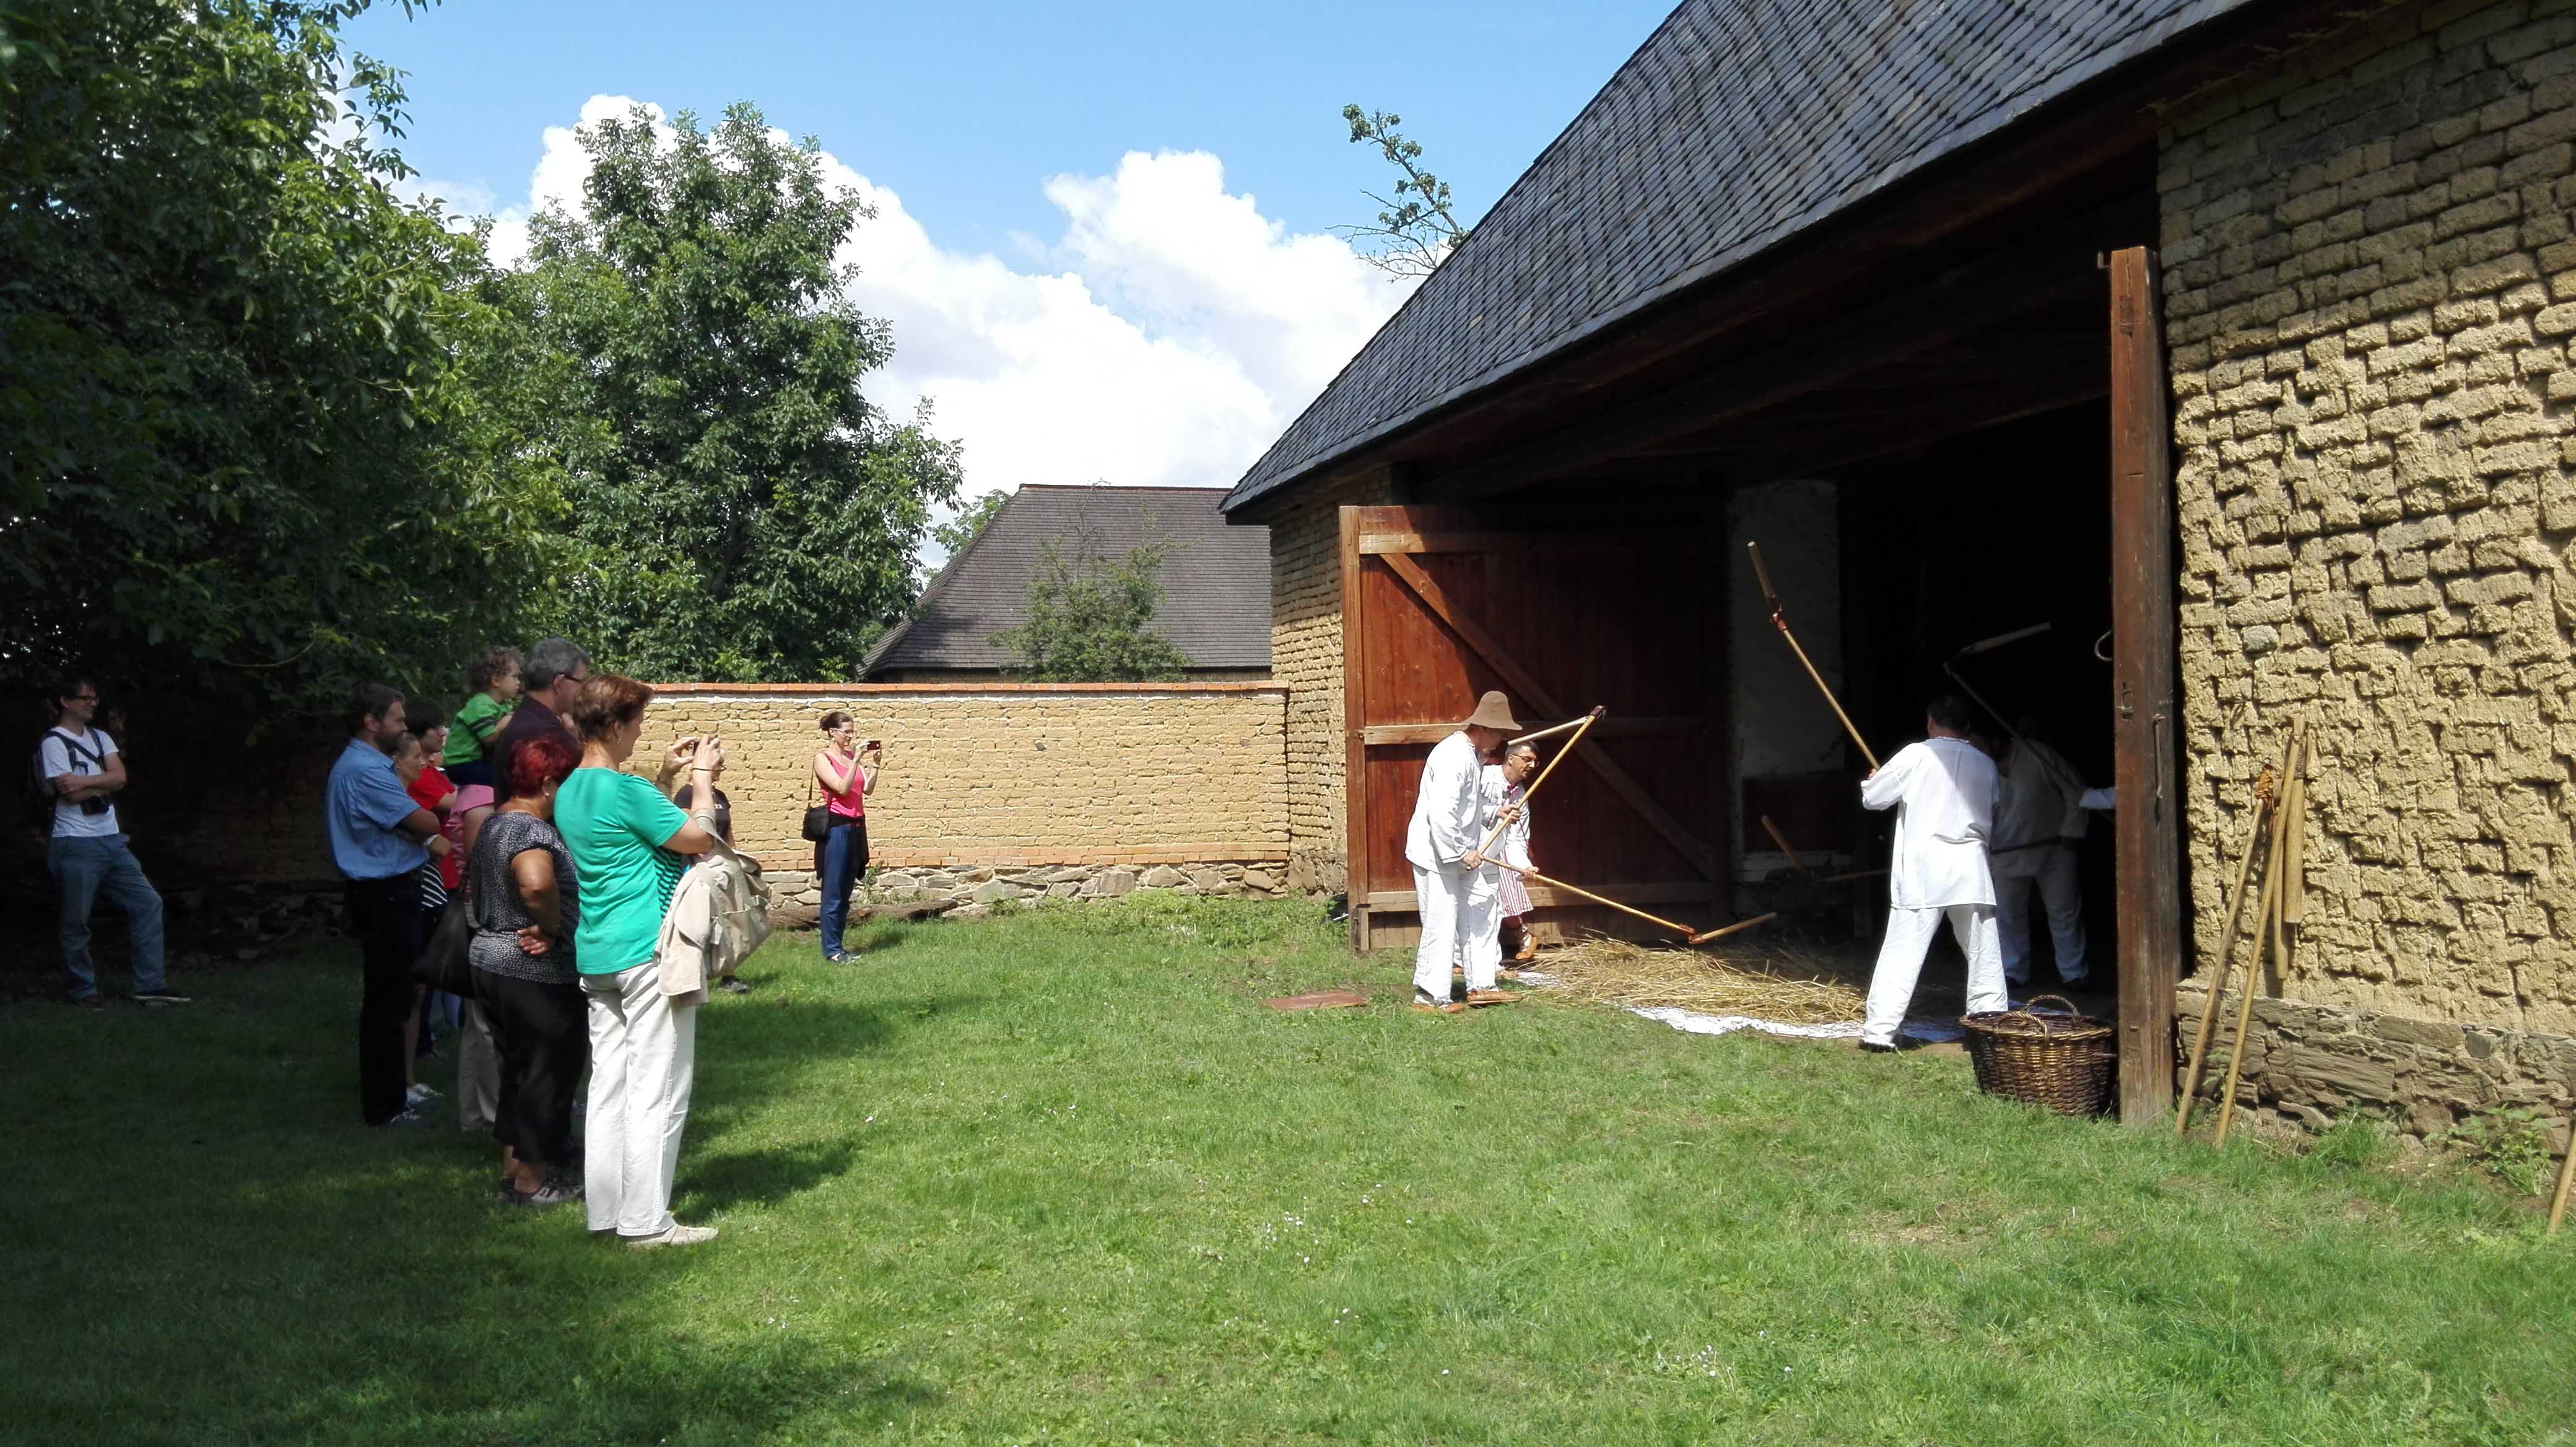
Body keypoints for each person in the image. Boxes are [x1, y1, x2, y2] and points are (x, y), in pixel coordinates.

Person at [557, 674, 727, 1249]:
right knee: (658, 1086)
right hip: (647, 953)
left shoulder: (571, 791)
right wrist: (701, 780)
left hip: (598, 954)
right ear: (612, 726)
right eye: (635, 725)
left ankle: (606, 1213)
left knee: (610, 1086)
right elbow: (697, 838)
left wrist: (663, 776)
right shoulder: (625, 791)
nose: (639, 734)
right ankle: (647, 1222)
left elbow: (627, 830)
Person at [468, 730, 589, 1207]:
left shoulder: (497, 822)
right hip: (532, 970)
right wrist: (553, 927)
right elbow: (536, 884)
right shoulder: (530, 830)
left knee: (518, 1072)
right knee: (548, 1073)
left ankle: (513, 1169)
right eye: (567, 783)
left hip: (492, 962)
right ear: (546, 784)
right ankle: (533, 1184)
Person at [326, 686, 451, 1127]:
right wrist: (421, 828)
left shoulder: (370, 767)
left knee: (396, 998)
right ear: (370, 721)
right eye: (397, 720)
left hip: (391, 889)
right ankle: (384, 1107)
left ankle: (395, 1091)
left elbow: (412, 827)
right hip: (385, 894)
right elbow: (425, 821)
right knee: (386, 1002)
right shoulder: (366, 771)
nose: (404, 728)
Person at [1858, 694, 2007, 1053]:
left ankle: (1878, 1033)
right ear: (1968, 727)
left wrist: (1874, 780)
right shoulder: (1986, 764)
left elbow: (1874, 799)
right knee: (1983, 952)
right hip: (1970, 867)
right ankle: (1990, 1027)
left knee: (1903, 951)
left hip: (1925, 868)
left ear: (1930, 722)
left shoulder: (1914, 756)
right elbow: (1996, 808)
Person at [37, 676, 187, 1008]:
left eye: (94, 698)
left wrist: (85, 781)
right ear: (65, 701)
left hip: (112, 841)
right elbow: (72, 795)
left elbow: (120, 778)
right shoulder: (53, 743)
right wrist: (99, 783)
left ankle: (150, 986)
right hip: (75, 843)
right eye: (85, 698)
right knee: (76, 921)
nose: (93, 703)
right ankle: (83, 993)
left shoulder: (101, 737)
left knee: (148, 903)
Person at [1405, 691, 1523, 1013]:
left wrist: (1493, 813)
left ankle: (1482, 985)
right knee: (1440, 922)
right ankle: (1430, 997)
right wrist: (1460, 852)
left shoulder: (1472, 755)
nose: (1502, 740)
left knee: (1483, 907)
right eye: (1500, 733)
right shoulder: (1452, 756)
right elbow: (1442, 813)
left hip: (1460, 851)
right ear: (1483, 727)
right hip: (1436, 853)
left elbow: (1469, 804)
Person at [1977, 717, 2095, 990]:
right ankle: (2013, 972)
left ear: (1996, 741)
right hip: (2005, 854)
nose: (1976, 750)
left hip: (2054, 849)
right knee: (2008, 915)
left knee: (2064, 912)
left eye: (1980, 744)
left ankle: (2074, 972)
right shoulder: (1975, 765)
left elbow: (2074, 789)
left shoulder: (2035, 753)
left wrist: (2069, 833)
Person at [672, 759, 751, 994]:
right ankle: (695, 976)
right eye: (718, 765)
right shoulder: (687, 795)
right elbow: (686, 830)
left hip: (723, 866)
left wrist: (736, 860)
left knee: (727, 919)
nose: (721, 770)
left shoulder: (721, 796)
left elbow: (728, 831)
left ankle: (729, 975)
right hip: (699, 866)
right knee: (701, 921)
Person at [811, 711, 879, 964]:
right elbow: (841, 787)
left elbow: (867, 790)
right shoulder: (823, 759)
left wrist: (875, 765)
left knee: (847, 889)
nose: (850, 736)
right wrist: (856, 761)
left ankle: (838, 946)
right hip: (836, 828)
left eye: (852, 731)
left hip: (857, 827)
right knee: (834, 890)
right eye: (846, 732)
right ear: (833, 732)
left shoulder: (853, 757)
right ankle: (831, 950)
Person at [492, 636, 589, 795]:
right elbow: (582, 794)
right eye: (581, 682)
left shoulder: (524, 718)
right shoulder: (548, 735)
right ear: (559, 683)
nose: (583, 691)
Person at [1485, 741, 1541, 966]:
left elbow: (1518, 836)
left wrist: (1523, 866)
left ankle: (1519, 939)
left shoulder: (1520, 795)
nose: (1532, 765)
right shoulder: (1485, 778)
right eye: (1527, 760)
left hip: (1499, 852)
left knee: (1504, 891)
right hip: (1472, 851)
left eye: (1535, 762)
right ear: (1511, 759)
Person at [443, 645, 522, 790]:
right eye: (515, 676)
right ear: (496, 680)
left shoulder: (502, 704)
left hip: (477, 761)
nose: (519, 682)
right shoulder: (480, 705)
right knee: (506, 780)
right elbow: (489, 738)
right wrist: (503, 724)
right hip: (462, 764)